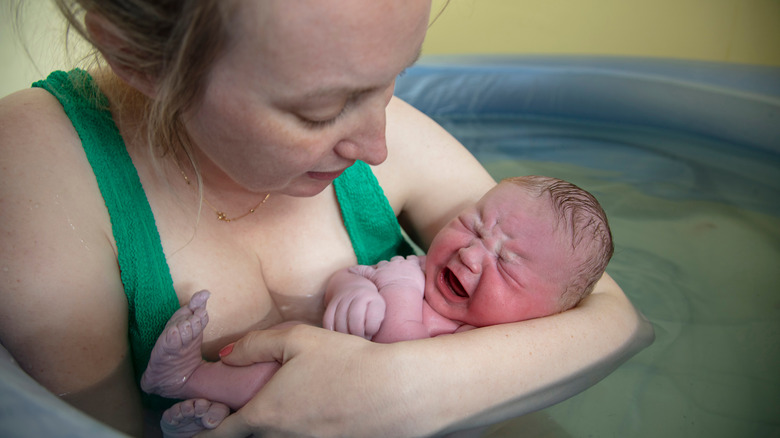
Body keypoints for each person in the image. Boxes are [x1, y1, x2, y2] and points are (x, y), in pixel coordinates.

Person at [0, 1, 650, 437]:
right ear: (140, 59)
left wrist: (400, 389)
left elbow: (613, 318)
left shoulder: (391, 138)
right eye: (320, 111)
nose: (378, 145)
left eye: (394, 80)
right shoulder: (38, 178)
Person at [141, 175, 614, 437]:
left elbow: (408, 365)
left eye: (507, 264)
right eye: (471, 226)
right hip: (310, 383)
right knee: (272, 373)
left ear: (546, 316)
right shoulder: (411, 270)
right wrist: (349, 290)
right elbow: (360, 280)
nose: (471, 253)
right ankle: (187, 378)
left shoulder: (503, 347)